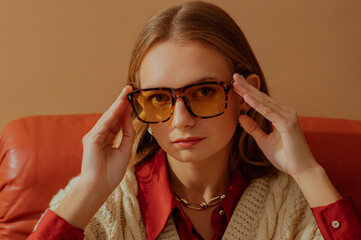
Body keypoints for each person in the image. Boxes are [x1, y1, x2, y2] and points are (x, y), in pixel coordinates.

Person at [28, 1, 361, 239]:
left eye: (203, 92)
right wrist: (89, 191)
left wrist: (309, 173)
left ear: (245, 96)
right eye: (158, 98)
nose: (181, 120)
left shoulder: (294, 203)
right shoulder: (102, 203)